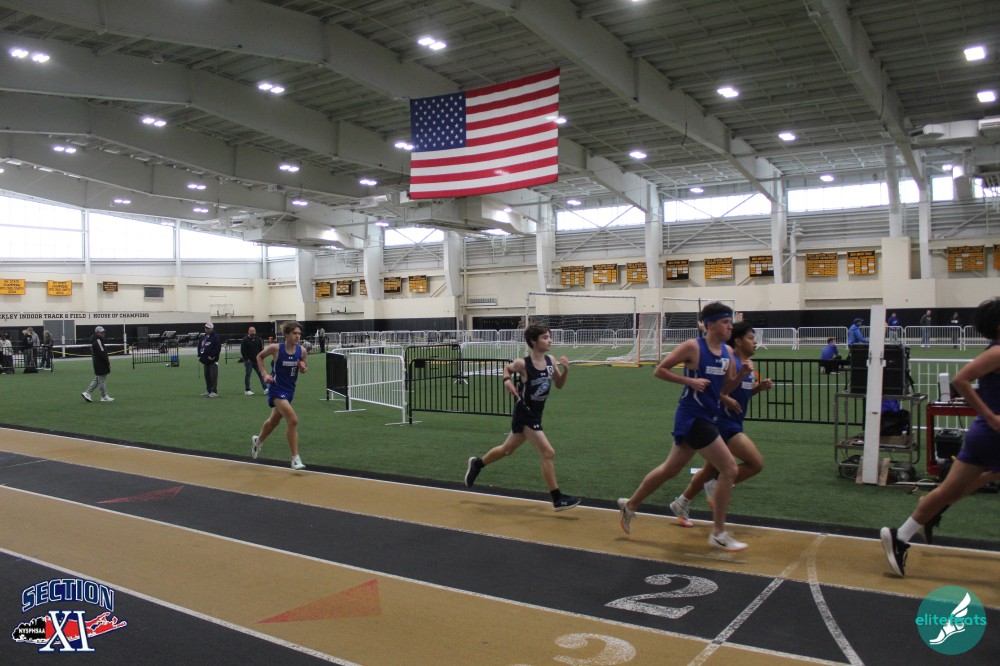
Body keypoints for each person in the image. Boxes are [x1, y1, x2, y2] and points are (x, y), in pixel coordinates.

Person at [616, 301, 751, 551]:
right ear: (710, 325)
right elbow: (660, 370)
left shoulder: (727, 353)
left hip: (707, 417)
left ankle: (630, 504)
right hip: (692, 417)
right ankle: (718, 532)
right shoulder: (693, 347)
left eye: (730, 322)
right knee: (729, 468)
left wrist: (741, 375)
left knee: (671, 469)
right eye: (725, 322)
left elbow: (725, 389)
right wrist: (689, 382)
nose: (730, 327)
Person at [880, 297, 1000, 576]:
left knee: (951, 490)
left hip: (986, 434)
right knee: (952, 490)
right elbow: (960, 380)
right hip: (991, 434)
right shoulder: (996, 352)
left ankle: (903, 534)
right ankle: (917, 521)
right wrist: (990, 415)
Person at [464, 323, 582, 511]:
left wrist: (566, 371)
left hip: (537, 413)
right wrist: (507, 381)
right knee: (548, 452)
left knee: (507, 450)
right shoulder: (523, 363)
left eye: (549, 336)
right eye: (545, 337)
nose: (550, 340)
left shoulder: (551, 361)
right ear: (533, 341)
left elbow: (558, 384)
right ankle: (557, 498)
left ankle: (477, 464)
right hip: (525, 413)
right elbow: (507, 369)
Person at [672, 322, 774, 517]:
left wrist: (757, 389)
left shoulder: (747, 366)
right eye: (751, 338)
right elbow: (712, 388)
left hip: (734, 422)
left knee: (709, 470)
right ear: (738, 341)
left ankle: (681, 502)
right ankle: (718, 485)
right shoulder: (730, 362)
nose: (755, 342)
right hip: (722, 424)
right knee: (755, 464)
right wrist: (724, 397)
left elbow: (740, 394)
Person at [251, 320, 309, 470]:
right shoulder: (276, 348)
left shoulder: (302, 351)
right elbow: (259, 357)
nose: (297, 336)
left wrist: (303, 367)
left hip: (290, 391)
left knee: (274, 421)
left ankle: (258, 441)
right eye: (294, 333)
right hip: (276, 389)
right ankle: (295, 458)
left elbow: (304, 369)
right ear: (286, 334)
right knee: (293, 420)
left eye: (299, 333)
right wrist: (264, 374)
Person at [81, 326, 113, 403]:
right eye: (101, 332)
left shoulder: (96, 340)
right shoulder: (98, 341)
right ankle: (104, 396)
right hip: (100, 363)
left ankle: (87, 393)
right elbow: (102, 354)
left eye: (103, 332)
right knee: (102, 380)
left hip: (97, 362)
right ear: (97, 333)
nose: (103, 333)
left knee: (98, 379)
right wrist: (108, 363)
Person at [240, 326, 266, 395]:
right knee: (248, 374)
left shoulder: (258, 339)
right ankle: (247, 390)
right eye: (251, 331)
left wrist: (261, 358)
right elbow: (243, 351)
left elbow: (261, 350)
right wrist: (246, 359)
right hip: (248, 361)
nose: (252, 332)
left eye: (253, 331)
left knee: (261, 374)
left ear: (255, 332)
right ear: (248, 332)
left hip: (257, 361)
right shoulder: (245, 340)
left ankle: (265, 388)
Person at [197, 322, 221, 397]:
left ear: (211, 328)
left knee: (213, 376)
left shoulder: (216, 337)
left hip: (212, 360)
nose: (206, 329)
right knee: (207, 376)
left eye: (208, 328)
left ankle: (214, 391)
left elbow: (217, 348)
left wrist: (212, 355)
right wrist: (200, 355)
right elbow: (200, 346)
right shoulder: (203, 337)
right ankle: (208, 390)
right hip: (205, 360)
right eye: (205, 328)